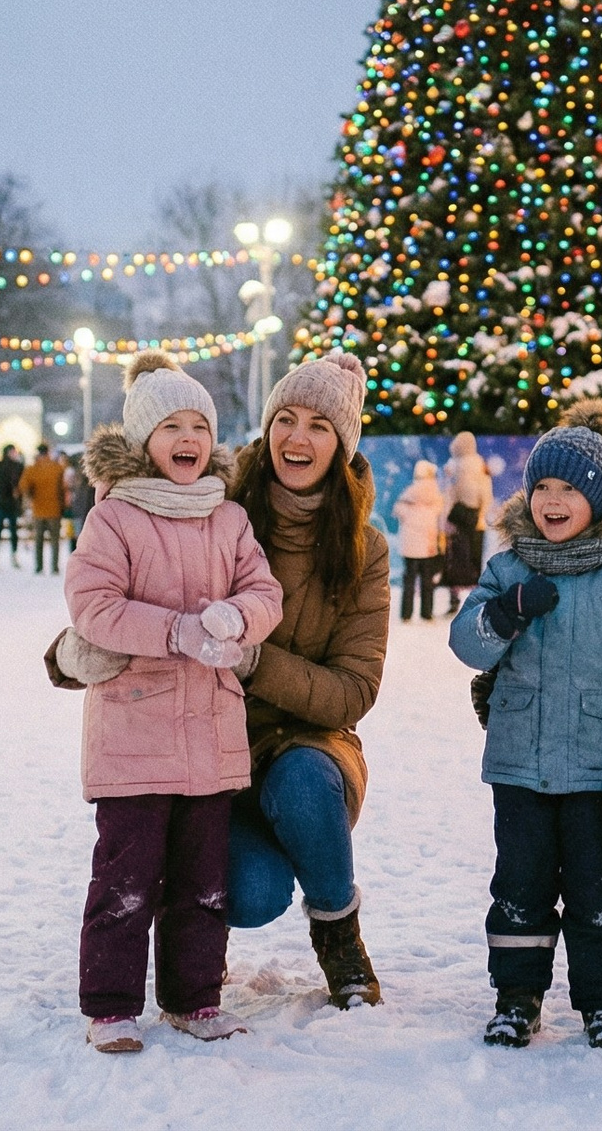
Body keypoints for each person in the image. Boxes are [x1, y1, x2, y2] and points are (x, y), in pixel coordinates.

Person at [52, 350, 284, 1053]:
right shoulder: (116, 518)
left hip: (210, 739)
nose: (189, 438)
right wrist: (177, 631)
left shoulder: (230, 518)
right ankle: (112, 1004)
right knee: (126, 880)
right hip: (134, 735)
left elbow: (265, 592)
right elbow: (94, 607)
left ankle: (194, 996)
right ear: (144, 441)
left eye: (199, 425)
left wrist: (238, 619)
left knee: (202, 884)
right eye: (172, 426)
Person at [450, 402, 602, 1051]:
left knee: (597, 886)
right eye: (542, 486)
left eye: (569, 488)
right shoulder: (509, 568)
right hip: (520, 763)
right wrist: (506, 610)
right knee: (519, 885)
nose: (552, 500)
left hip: (597, 768)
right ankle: (517, 996)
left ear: (598, 499)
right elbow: (466, 641)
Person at [217, 351, 390, 1008]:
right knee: (251, 894)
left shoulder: (363, 548)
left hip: (310, 748)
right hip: (218, 752)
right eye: (285, 418)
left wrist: (258, 662)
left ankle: (339, 934)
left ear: (341, 444)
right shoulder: (223, 515)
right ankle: (202, 928)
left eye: (319, 424)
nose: (298, 436)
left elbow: (353, 690)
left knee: (303, 781)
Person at [391, 458, 448, 621]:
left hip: (409, 544)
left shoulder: (409, 492)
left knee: (409, 580)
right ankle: (426, 613)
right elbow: (439, 515)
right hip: (428, 543)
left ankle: (406, 613)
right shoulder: (436, 493)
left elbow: (398, 512)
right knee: (427, 581)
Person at [442, 430, 492, 613]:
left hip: (457, 518)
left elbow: (448, 494)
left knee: (455, 559)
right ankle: (475, 603)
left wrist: (446, 520)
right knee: (473, 560)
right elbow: (486, 494)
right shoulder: (481, 465)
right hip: (475, 519)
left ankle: (454, 600)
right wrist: (481, 516)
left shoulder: (451, 465)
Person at [22, 441, 68, 575]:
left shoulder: (32, 469)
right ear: (48, 452)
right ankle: (54, 567)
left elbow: (24, 486)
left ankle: (39, 566)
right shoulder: (57, 467)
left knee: (39, 540)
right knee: (54, 540)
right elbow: (63, 488)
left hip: (38, 509)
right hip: (55, 509)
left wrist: (31, 496)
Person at [0, 443, 26, 568]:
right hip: (8, 502)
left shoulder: (1, 466)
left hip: (4, 502)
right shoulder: (15, 466)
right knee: (10, 531)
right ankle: (7, 557)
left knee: (2, 531)